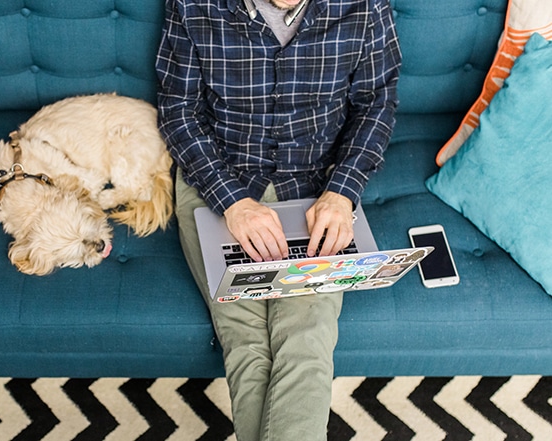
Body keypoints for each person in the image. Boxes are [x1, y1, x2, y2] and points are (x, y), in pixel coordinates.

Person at [156, 0, 401, 439]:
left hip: (315, 185)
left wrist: (342, 192)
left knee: (306, 339)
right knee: (246, 342)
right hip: (217, 178)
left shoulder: (365, 6)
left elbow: (377, 104)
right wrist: (232, 201)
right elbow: (179, 113)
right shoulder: (193, 5)